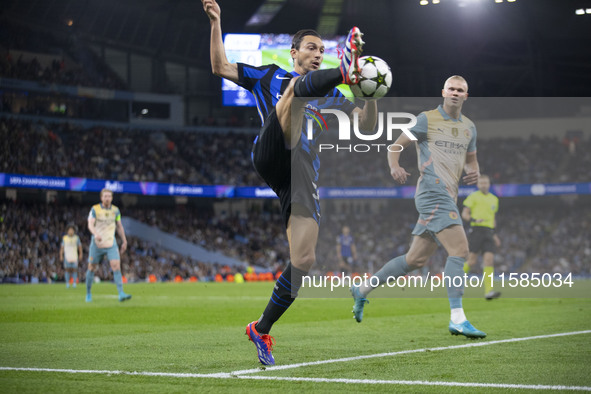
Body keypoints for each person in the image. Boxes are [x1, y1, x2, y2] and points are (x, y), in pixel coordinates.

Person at [203, 0, 377, 365]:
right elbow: (219, 66)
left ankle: (261, 328)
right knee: (296, 92)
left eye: (323, 51)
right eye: (312, 48)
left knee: (304, 260)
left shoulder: (329, 95)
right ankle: (346, 68)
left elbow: (365, 125)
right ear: (294, 52)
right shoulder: (269, 75)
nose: (317, 54)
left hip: (299, 178)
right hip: (271, 150)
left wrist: (368, 93)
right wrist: (216, 21)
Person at [350, 75, 487, 339]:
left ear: (466, 96)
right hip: (432, 193)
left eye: (461, 90)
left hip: (449, 195)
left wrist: (474, 173)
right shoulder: (426, 119)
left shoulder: (470, 127)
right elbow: (395, 145)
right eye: (452, 89)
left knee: (415, 260)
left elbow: (472, 160)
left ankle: (363, 290)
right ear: (443, 92)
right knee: (460, 250)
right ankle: (457, 318)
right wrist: (395, 166)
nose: (456, 93)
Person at [85, 188, 131, 303]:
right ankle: (88, 293)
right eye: (105, 196)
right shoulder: (95, 209)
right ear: (101, 198)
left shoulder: (116, 210)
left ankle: (121, 293)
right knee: (91, 268)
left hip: (111, 243)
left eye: (109, 196)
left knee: (116, 266)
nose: (107, 198)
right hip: (97, 243)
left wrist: (124, 241)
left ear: (112, 198)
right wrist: (95, 234)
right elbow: (90, 224)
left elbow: (119, 226)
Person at [461, 174, 501, 300]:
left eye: (486, 183)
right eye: (481, 183)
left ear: (489, 184)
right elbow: (464, 214)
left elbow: (493, 218)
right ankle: (454, 282)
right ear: (478, 185)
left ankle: (489, 292)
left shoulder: (494, 199)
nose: (484, 185)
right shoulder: (473, 197)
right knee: (472, 260)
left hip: (489, 231)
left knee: (489, 260)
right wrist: (474, 219)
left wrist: (494, 234)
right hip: (477, 230)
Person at [59, 224, 82, 288]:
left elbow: (80, 247)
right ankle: (67, 283)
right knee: (67, 270)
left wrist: (80, 254)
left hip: (74, 256)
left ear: (74, 231)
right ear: (67, 231)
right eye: (70, 230)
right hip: (67, 256)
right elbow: (62, 247)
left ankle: (74, 283)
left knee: (74, 269)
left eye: (72, 230)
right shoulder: (65, 238)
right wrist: (61, 255)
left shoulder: (76, 238)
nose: (71, 231)